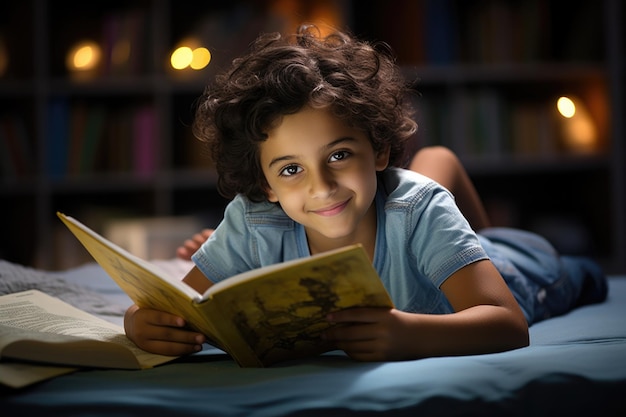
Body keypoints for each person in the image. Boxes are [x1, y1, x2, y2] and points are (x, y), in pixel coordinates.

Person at [124, 25, 607, 361]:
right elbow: (180, 308)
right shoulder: (253, 219)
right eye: (291, 169)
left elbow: (508, 324)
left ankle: (481, 243)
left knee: (577, 273)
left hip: (523, 272)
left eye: (338, 155)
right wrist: (139, 322)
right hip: (426, 224)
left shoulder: (417, 206)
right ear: (264, 186)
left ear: (377, 148)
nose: (321, 186)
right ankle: (464, 235)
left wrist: (408, 334)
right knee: (430, 179)